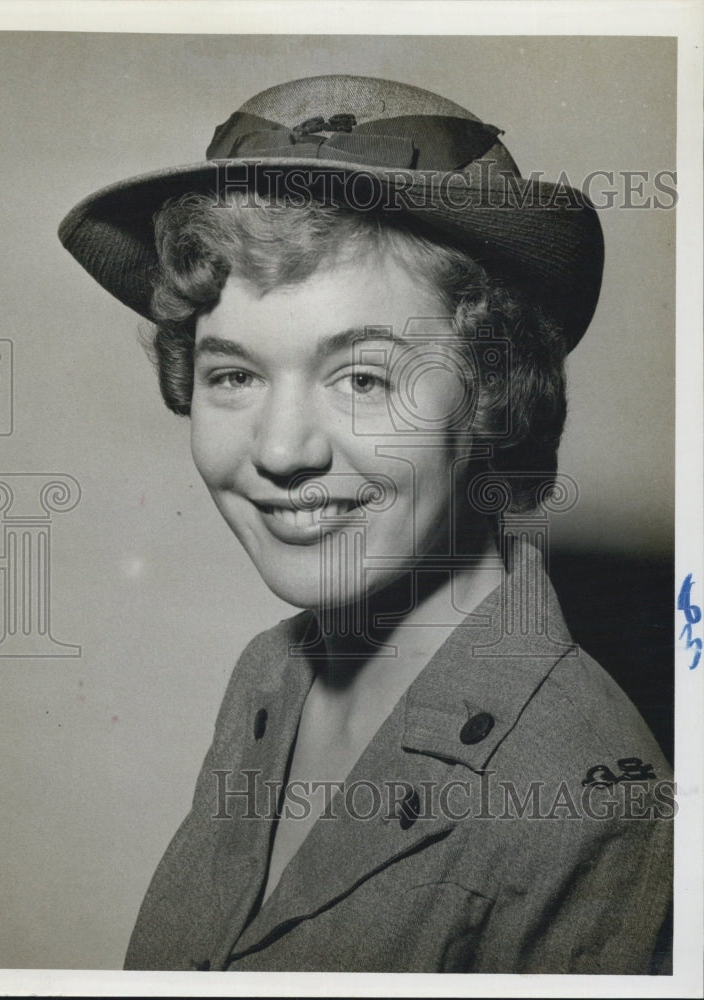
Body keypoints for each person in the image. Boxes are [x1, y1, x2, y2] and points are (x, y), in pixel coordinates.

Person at [59, 74, 673, 974]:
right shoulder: (271, 675)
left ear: (495, 396)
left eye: (363, 378)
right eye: (234, 375)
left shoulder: (590, 809)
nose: (280, 450)